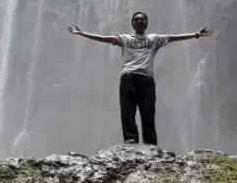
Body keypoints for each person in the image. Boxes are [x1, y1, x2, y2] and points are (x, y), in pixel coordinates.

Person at [67, 11, 213, 146]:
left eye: (142, 19)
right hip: (128, 76)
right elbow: (103, 38)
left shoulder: (154, 39)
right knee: (127, 110)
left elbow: (173, 37)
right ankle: (130, 139)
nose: (139, 21)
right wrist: (81, 33)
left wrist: (196, 34)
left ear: (146, 23)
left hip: (146, 78)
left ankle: (150, 142)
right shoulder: (124, 39)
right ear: (132, 23)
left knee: (148, 110)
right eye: (136, 19)